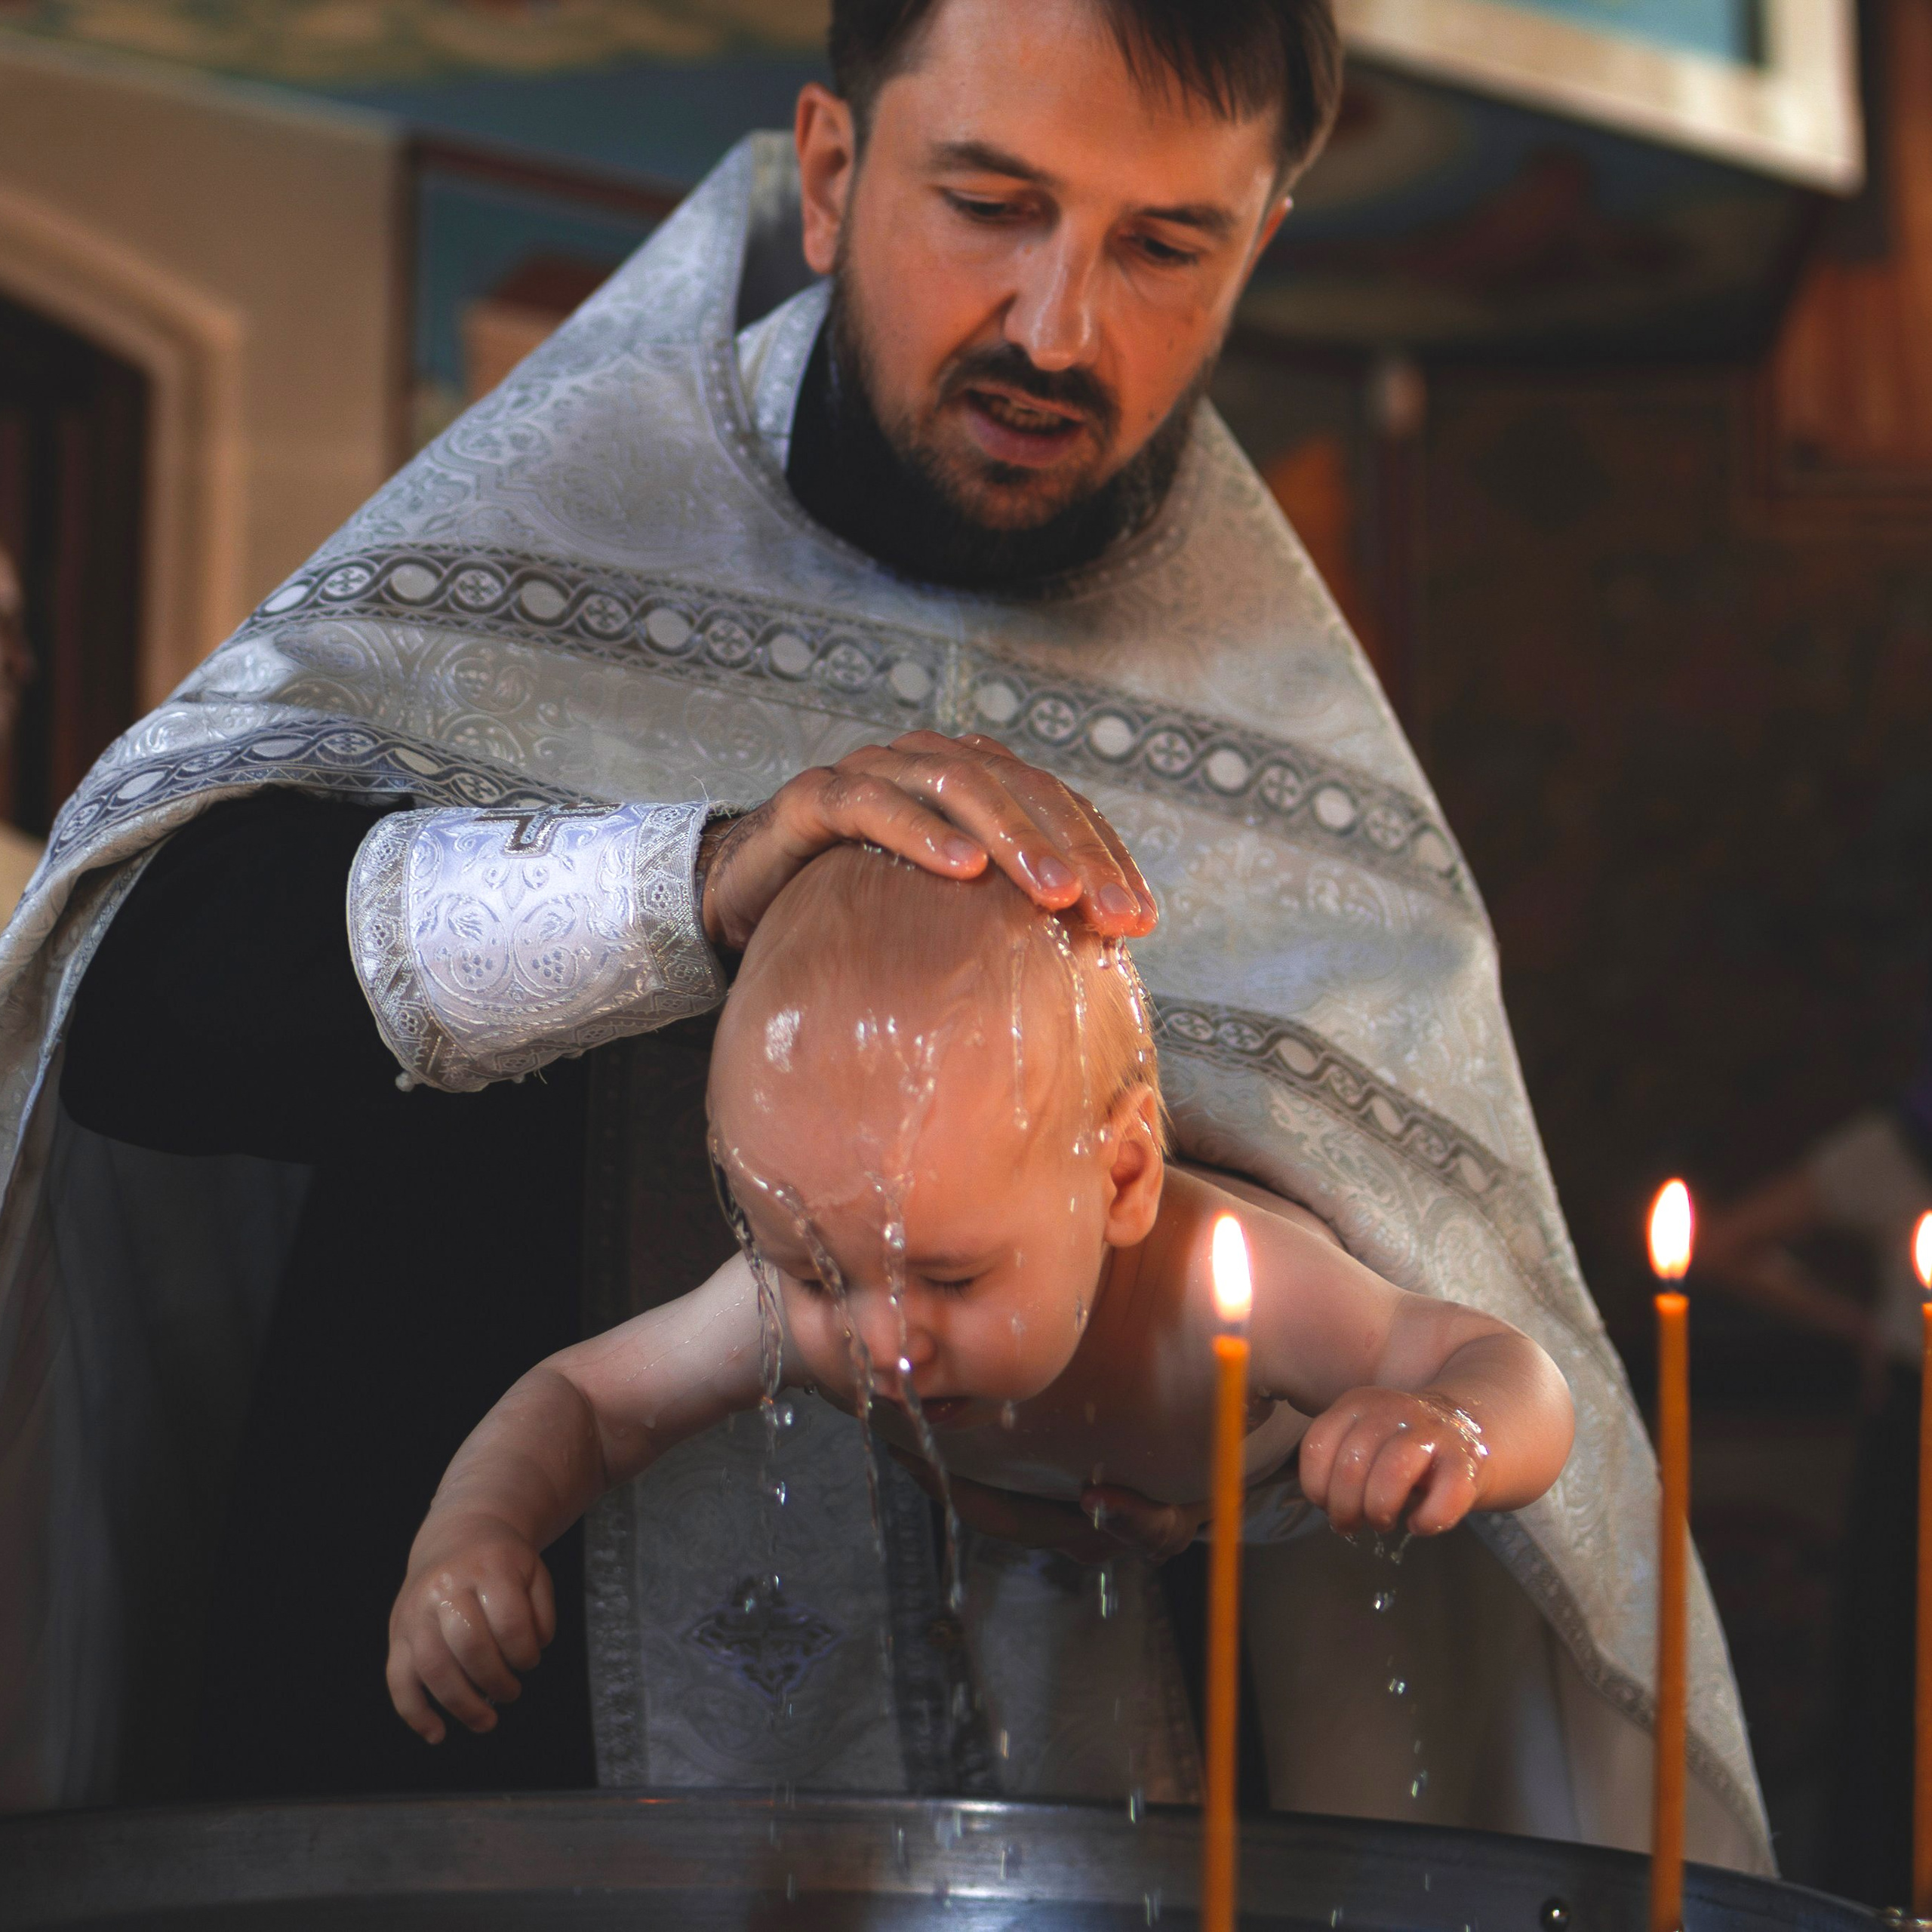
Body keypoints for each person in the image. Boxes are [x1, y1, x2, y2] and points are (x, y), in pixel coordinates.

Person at [0, 0, 1770, 1869]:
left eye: (1162, 242)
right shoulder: (558, 531)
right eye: (989, 202)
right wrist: (688, 879)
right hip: (492, 1804)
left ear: (1259, 241)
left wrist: (1251, 1446)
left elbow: (1430, 1322)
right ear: (834, 174)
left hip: (1076, 1810)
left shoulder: (1282, 735)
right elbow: (132, 1015)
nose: (1054, 325)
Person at [387, 848, 1577, 1750]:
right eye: (815, 1274)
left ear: (1120, 1180)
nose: (880, 1343)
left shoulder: (1229, 1284)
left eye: (949, 1276)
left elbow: (1493, 1358)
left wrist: (1452, 1425)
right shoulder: (802, 1299)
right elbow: (586, 1402)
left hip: (1271, 1527)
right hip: (1034, 1516)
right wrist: (472, 1536)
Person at [1696, 1021, 1932, 1904]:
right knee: (1902, 1678)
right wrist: (1856, 1326)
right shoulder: (1888, 1154)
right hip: (1914, 1444)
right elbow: (1723, 1245)